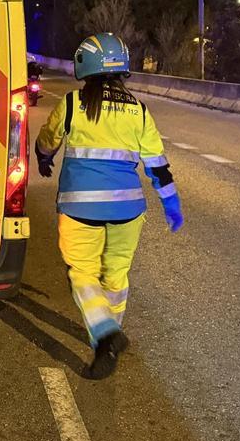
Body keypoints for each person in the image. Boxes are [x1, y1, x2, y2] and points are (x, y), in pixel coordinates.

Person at [34, 33, 183, 379]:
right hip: (127, 209)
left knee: (82, 273)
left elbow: (48, 139)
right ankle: (107, 341)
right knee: (115, 275)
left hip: (79, 208)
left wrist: (43, 157)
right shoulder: (138, 111)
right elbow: (157, 164)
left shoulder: (73, 104)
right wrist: (170, 201)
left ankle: (105, 334)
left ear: (84, 65)